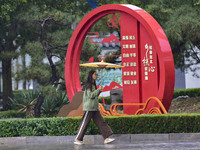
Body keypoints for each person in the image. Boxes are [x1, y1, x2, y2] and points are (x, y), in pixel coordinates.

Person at [74, 70, 115, 145]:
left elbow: (94, 95)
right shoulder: (88, 85)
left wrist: (99, 91)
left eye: (96, 74)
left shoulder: (93, 85)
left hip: (94, 108)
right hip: (89, 107)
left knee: (101, 122)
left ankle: (106, 138)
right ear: (91, 75)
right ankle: (78, 139)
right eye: (95, 74)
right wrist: (98, 90)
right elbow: (91, 95)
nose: (96, 76)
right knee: (85, 123)